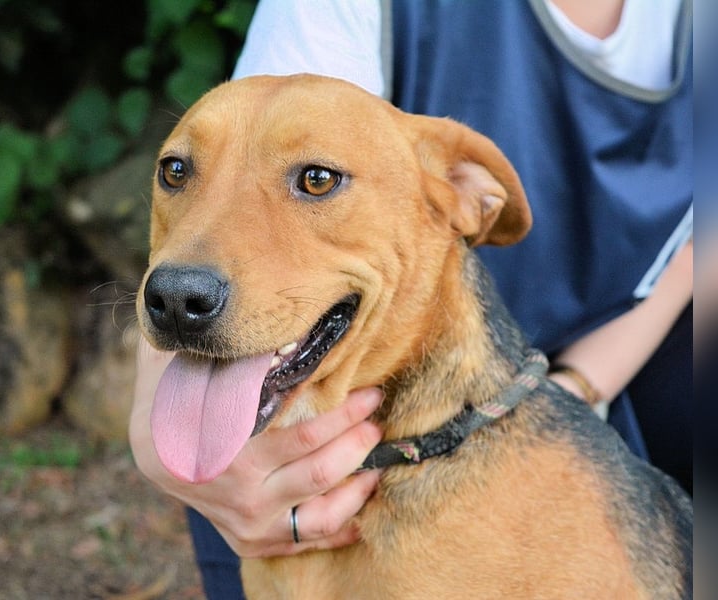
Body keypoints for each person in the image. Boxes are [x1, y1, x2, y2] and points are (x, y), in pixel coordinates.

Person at [130, 1, 693, 597]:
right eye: (177, 172)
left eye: (315, 179)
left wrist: (581, 381)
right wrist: (150, 428)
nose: (188, 266)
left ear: (465, 193)